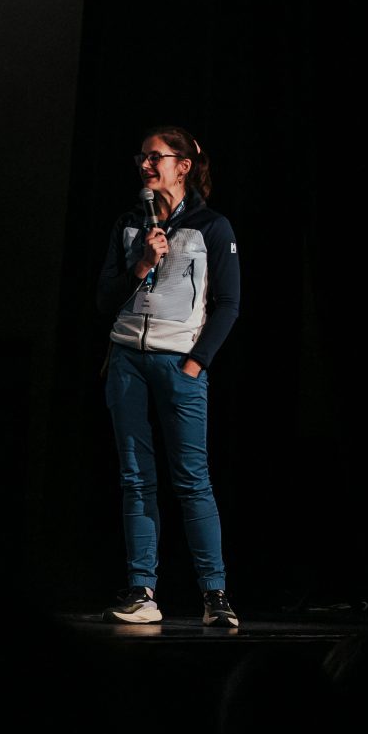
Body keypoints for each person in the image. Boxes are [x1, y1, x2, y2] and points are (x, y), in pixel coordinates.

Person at [95, 125, 239, 627]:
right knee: (136, 477)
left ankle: (215, 594)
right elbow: (103, 299)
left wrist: (197, 362)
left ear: (183, 166)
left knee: (192, 479)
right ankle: (142, 591)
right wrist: (141, 264)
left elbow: (229, 304)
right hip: (127, 361)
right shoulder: (129, 223)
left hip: (180, 364)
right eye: (142, 157)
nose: (145, 165)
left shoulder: (212, 227)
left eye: (155, 157)